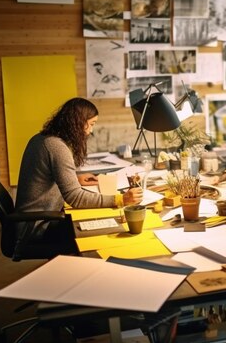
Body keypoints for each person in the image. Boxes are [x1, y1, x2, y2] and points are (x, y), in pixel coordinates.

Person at [15, 98, 143, 257]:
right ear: (76, 123)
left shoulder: (44, 139)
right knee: (106, 232)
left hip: (33, 222)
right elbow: (75, 197)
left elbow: (51, 177)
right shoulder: (57, 147)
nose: (90, 131)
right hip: (37, 228)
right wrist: (119, 200)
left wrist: (74, 178)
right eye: (91, 124)